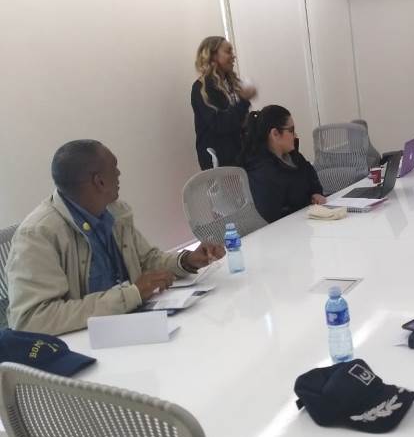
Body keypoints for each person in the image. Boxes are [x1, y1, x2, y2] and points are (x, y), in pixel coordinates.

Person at [6, 140, 225, 336]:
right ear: (99, 182)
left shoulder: (114, 211)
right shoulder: (38, 235)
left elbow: (147, 259)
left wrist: (186, 260)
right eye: (115, 167)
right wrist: (131, 295)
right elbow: (30, 319)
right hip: (85, 344)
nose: (119, 174)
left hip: (131, 327)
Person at [240, 105, 326, 223]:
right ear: (275, 134)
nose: (295, 135)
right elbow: (271, 216)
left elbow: (312, 178)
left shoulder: (294, 156)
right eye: (291, 130)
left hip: (307, 221)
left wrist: (316, 193)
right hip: (285, 229)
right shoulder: (262, 172)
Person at [191, 36, 257, 170]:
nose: (233, 56)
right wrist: (244, 101)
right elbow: (220, 124)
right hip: (219, 164)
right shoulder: (202, 88)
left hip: (239, 158)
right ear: (213, 55)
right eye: (228, 51)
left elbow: (238, 122)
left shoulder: (231, 84)